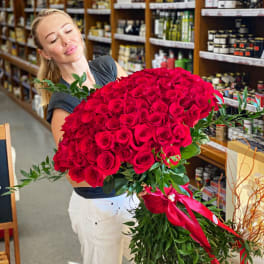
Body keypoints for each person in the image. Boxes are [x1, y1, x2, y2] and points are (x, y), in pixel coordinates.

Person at [31, 9, 139, 264]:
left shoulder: (108, 67)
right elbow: (76, 177)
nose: (66, 41)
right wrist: (130, 164)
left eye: (68, 31)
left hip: (135, 196)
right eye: (53, 39)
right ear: (45, 53)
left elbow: (141, 109)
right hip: (99, 208)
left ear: (78, 31)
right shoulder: (62, 105)